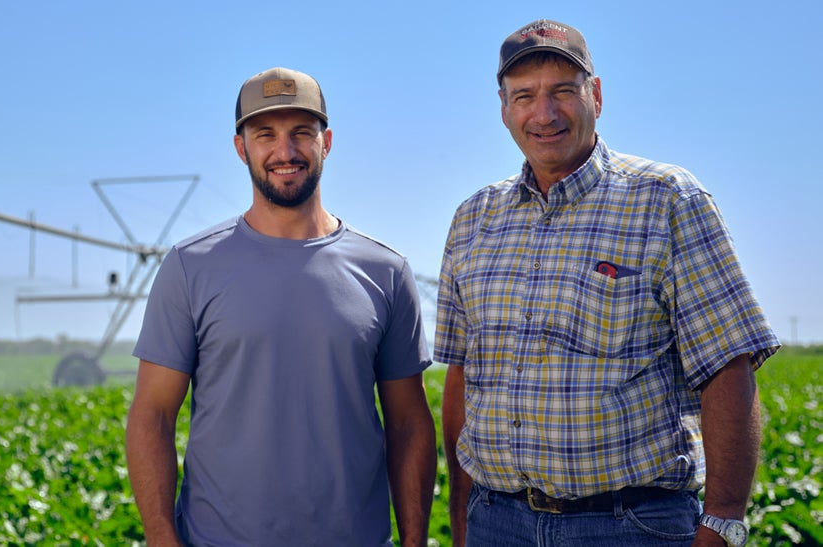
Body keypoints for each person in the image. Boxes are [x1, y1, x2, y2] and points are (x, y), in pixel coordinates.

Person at [435, 20, 779, 547]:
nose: (544, 114)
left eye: (562, 92)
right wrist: (463, 523)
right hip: (497, 521)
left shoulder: (665, 199)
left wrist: (723, 522)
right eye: (524, 96)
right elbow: (462, 376)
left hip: (630, 525)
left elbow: (728, 366)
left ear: (595, 94)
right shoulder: (473, 218)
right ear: (504, 108)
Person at [125, 66, 436, 547]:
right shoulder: (190, 267)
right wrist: (163, 539)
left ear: (326, 142)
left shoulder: (386, 272)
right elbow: (152, 416)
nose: (285, 152)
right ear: (241, 147)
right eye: (265, 134)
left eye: (301, 134)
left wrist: (414, 541)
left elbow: (408, 422)